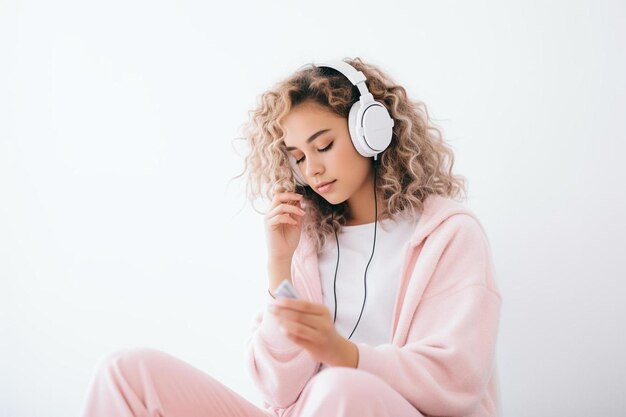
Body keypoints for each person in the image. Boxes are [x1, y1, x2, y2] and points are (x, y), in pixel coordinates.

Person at [79, 57, 502, 417]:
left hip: (365, 406)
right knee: (125, 372)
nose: (312, 169)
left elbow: (455, 380)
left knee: (338, 389)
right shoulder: (308, 242)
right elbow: (277, 390)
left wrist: (346, 355)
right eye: (298, 156)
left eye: (324, 145)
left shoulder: (447, 235)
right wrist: (280, 267)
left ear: (370, 132)